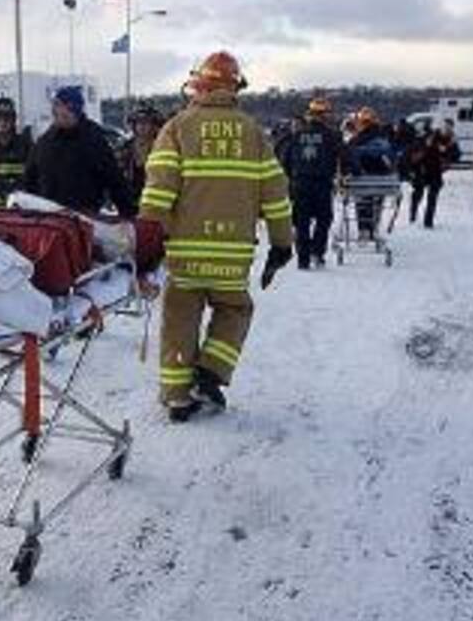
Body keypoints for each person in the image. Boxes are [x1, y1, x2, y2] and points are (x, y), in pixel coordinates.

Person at [138, 51, 294, 423]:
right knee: (235, 309)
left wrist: (146, 245)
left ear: (199, 86)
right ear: (234, 88)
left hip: (185, 253)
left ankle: (178, 398)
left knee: (179, 319)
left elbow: (158, 193)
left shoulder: (176, 127)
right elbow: (276, 193)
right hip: (233, 254)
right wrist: (281, 244)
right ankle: (210, 373)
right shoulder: (254, 133)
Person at [23, 86, 138, 217]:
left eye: (58, 105)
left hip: (83, 219)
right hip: (49, 220)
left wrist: (128, 213)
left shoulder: (93, 139)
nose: (53, 111)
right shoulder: (45, 141)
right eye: (54, 105)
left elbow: (114, 179)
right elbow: (29, 179)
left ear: (72, 108)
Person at [277, 97, 342, 269]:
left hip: (300, 183)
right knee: (324, 219)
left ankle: (303, 258)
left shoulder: (296, 135)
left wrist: (290, 177)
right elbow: (345, 156)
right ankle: (317, 252)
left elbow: (284, 158)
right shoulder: (331, 135)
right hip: (322, 183)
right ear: (325, 115)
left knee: (302, 222)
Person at [343, 107, 397, 238]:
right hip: (382, 183)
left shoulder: (355, 140)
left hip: (360, 182)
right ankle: (373, 228)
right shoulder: (384, 137)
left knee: (362, 201)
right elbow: (392, 161)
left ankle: (363, 229)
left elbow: (347, 158)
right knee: (376, 202)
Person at [409, 121, 462, 229]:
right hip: (423, 168)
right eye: (445, 128)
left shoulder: (451, 140)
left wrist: (447, 151)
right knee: (418, 193)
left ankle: (428, 221)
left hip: (436, 171)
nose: (446, 130)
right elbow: (417, 149)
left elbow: (456, 155)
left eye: (449, 129)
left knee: (432, 197)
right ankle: (413, 215)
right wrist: (427, 146)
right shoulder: (432, 135)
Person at [119, 102, 166, 204]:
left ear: (154, 126)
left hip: (156, 200)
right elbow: (118, 174)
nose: (142, 126)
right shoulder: (126, 148)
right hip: (131, 200)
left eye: (146, 122)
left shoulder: (163, 147)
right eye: (139, 122)